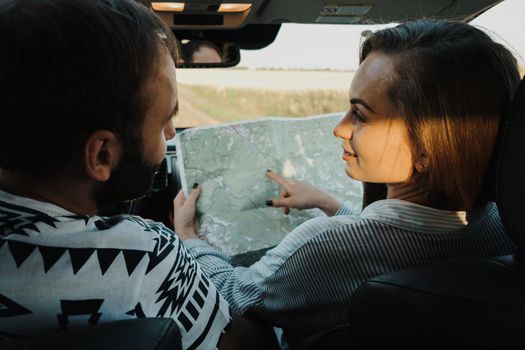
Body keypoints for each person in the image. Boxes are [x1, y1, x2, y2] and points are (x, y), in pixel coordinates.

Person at [174, 20, 522, 346]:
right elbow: (402, 244)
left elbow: (234, 293)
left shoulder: (323, 247)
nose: (339, 128)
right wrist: (331, 205)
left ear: (428, 148)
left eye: (360, 114)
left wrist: (189, 239)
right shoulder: (501, 232)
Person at [0, 1, 232, 349]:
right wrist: (189, 240)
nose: (171, 135)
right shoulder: (145, 257)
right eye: (164, 120)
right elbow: (241, 341)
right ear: (102, 155)